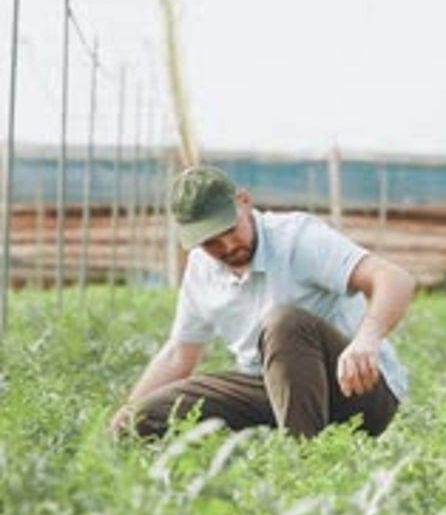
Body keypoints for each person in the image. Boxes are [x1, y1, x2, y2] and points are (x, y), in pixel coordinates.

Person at [110, 165, 415, 439]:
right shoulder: (201, 269)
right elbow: (179, 353)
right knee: (144, 416)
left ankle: (304, 462)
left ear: (244, 201)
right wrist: (123, 416)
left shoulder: (297, 238)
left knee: (284, 324)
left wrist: (366, 340)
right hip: (272, 391)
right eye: (211, 241)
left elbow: (394, 278)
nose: (227, 246)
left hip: (358, 391)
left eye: (230, 229)